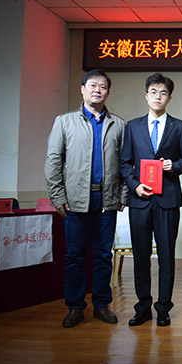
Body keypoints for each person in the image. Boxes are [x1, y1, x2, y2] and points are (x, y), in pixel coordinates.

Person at [45, 69, 127, 328]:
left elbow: (127, 163)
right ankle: (75, 306)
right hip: (75, 201)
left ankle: (101, 305)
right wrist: (58, 195)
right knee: (75, 257)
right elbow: (53, 160)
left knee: (103, 256)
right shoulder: (64, 122)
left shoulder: (118, 124)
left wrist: (123, 194)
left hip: (106, 200)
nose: (97, 90)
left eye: (102, 86)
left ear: (108, 92)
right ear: (82, 89)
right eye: (92, 85)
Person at [119, 73, 182, 327]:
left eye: (163, 93)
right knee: (140, 256)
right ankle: (142, 308)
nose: (158, 97)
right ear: (146, 96)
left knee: (166, 256)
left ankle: (163, 308)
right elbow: (125, 163)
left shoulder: (180, 127)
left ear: (169, 98)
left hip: (167, 199)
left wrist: (174, 166)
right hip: (140, 200)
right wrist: (135, 186)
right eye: (153, 92)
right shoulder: (133, 126)